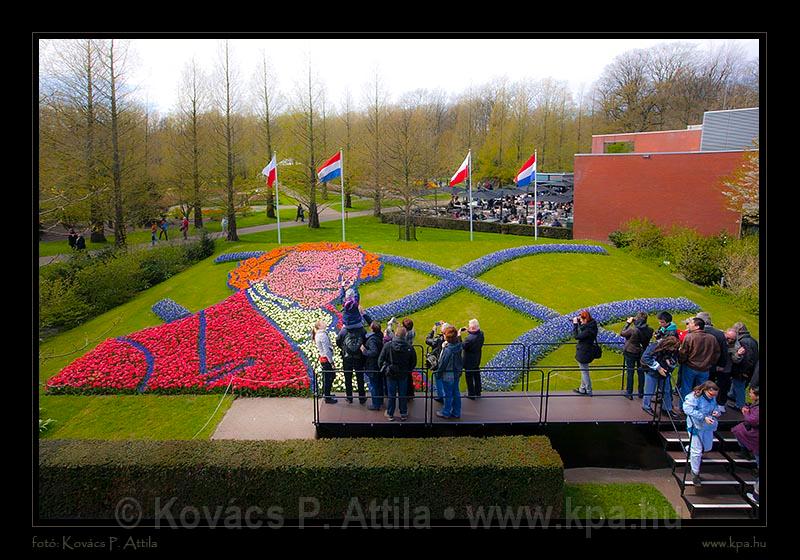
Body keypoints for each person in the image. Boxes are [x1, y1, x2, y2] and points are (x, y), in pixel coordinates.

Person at [682, 380, 721, 486]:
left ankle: (688, 448)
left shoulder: (712, 397)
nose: (713, 396)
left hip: (708, 427)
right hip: (696, 426)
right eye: (711, 394)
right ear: (705, 390)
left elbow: (716, 406)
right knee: (697, 451)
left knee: (707, 447)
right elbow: (687, 409)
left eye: (714, 395)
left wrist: (717, 412)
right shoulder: (694, 397)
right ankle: (695, 473)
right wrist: (703, 417)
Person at [378, 326, 417, 421]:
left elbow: (380, 360)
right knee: (402, 394)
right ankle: (403, 413)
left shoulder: (388, 345)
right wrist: (408, 370)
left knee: (391, 395)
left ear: (395, 334)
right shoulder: (409, 347)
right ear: (405, 335)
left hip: (391, 374)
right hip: (403, 374)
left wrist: (385, 369)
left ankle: (390, 413)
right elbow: (413, 362)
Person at [678, 317, 720, 402]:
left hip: (690, 367)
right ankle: (698, 406)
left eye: (690, 323)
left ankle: (684, 407)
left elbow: (683, 353)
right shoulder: (712, 338)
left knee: (686, 388)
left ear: (697, 326)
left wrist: (682, 361)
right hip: (705, 369)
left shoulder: (690, 337)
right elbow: (717, 353)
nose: (688, 325)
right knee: (701, 390)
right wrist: (710, 364)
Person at [695, 312, 730, 412]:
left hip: (697, 364)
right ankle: (708, 406)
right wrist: (721, 365)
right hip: (713, 365)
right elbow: (723, 351)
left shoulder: (696, 332)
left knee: (698, 385)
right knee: (710, 385)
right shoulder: (719, 333)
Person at [640, 335, 680, 418]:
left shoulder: (674, 350)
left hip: (665, 372)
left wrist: (671, 363)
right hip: (652, 372)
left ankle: (667, 409)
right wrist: (658, 368)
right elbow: (645, 357)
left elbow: (675, 359)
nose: (674, 350)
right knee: (649, 391)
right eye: (673, 348)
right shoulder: (655, 346)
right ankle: (646, 406)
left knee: (667, 391)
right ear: (667, 345)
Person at [620, 312, 654, 400]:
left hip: (631, 352)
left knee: (630, 372)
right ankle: (641, 392)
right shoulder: (650, 330)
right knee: (641, 372)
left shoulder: (633, 330)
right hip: (642, 351)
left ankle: (629, 392)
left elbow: (622, 333)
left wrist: (628, 323)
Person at [729, 322, 759, 410]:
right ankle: (733, 397)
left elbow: (747, 359)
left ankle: (740, 405)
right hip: (748, 370)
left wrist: (744, 372)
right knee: (738, 385)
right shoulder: (752, 340)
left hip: (742, 370)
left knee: (739, 387)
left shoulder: (744, 342)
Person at [336, 322, 367, 405]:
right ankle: (362, 398)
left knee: (348, 378)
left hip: (347, 358)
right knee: (360, 378)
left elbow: (338, 341)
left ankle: (349, 398)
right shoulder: (362, 330)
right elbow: (365, 340)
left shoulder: (344, 330)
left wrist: (344, 348)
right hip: (359, 357)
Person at [436, 326, 464, 419]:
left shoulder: (448, 349)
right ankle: (456, 412)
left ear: (448, 338)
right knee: (456, 392)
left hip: (448, 374)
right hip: (457, 372)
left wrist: (438, 374)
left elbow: (443, 364)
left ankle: (446, 412)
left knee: (448, 394)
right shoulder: (459, 345)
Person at [572, 310, 598, 396]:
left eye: (582, 319)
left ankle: (588, 390)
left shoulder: (588, 331)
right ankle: (582, 389)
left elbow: (577, 336)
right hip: (587, 351)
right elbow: (584, 329)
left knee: (584, 372)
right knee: (584, 370)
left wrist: (575, 324)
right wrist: (580, 323)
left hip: (584, 352)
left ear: (585, 320)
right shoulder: (592, 326)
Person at [361, 321, 385, 410]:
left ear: (372, 329)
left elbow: (374, 352)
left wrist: (364, 351)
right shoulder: (380, 335)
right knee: (379, 383)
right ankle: (380, 401)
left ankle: (376, 404)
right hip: (379, 363)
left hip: (373, 364)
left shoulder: (372, 339)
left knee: (374, 385)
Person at [312, 319, 337, 404]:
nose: (324, 322)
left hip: (324, 359)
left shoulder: (320, 334)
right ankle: (327, 397)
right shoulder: (322, 335)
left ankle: (327, 394)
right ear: (319, 326)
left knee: (328, 377)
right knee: (329, 378)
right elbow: (326, 351)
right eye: (322, 322)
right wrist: (331, 362)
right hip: (326, 360)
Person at [425, 322, 450, 403]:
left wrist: (432, 331)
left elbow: (428, 340)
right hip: (448, 363)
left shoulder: (437, 340)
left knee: (439, 380)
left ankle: (441, 397)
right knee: (446, 381)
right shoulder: (453, 338)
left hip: (438, 362)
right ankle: (445, 396)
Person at [461, 319, 485, 399]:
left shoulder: (469, 339)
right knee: (477, 375)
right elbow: (475, 333)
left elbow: (462, 346)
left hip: (469, 361)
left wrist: (458, 335)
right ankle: (478, 392)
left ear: (472, 328)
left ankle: (471, 394)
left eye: (469, 327)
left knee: (469, 377)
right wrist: (469, 330)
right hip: (477, 359)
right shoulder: (481, 334)